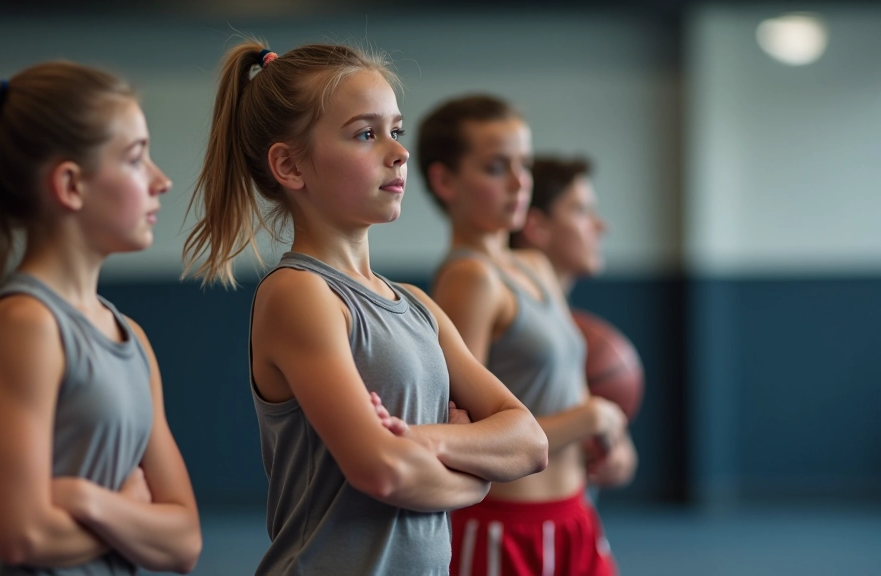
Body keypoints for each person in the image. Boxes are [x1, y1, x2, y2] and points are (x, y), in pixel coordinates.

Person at [182, 42, 548, 576]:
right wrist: (478, 475)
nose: (398, 152)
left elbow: (530, 441)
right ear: (289, 165)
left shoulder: (418, 304)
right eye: (365, 134)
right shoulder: (300, 294)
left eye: (395, 131)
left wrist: (421, 439)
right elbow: (382, 472)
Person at [0, 61, 202, 575]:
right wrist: (133, 511)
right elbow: (22, 534)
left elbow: (184, 541)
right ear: (71, 185)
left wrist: (87, 500)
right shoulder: (26, 325)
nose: (161, 181)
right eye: (136, 158)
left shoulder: (133, 339)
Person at [418, 95, 625, 576]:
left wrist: (609, 438)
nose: (519, 183)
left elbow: (569, 388)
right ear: (445, 181)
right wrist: (590, 417)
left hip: (574, 515)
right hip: (505, 530)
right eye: (495, 168)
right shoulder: (469, 279)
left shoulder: (533, 264)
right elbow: (465, 441)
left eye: (524, 164)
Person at [510, 157, 637, 491]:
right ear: (537, 227)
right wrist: (587, 421)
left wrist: (617, 448)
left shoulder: (573, 332)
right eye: (581, 211)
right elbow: (482, 439)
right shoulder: (507, 321)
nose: (601, 226)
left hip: (574, 515)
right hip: (515, 522)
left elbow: (622, 460)